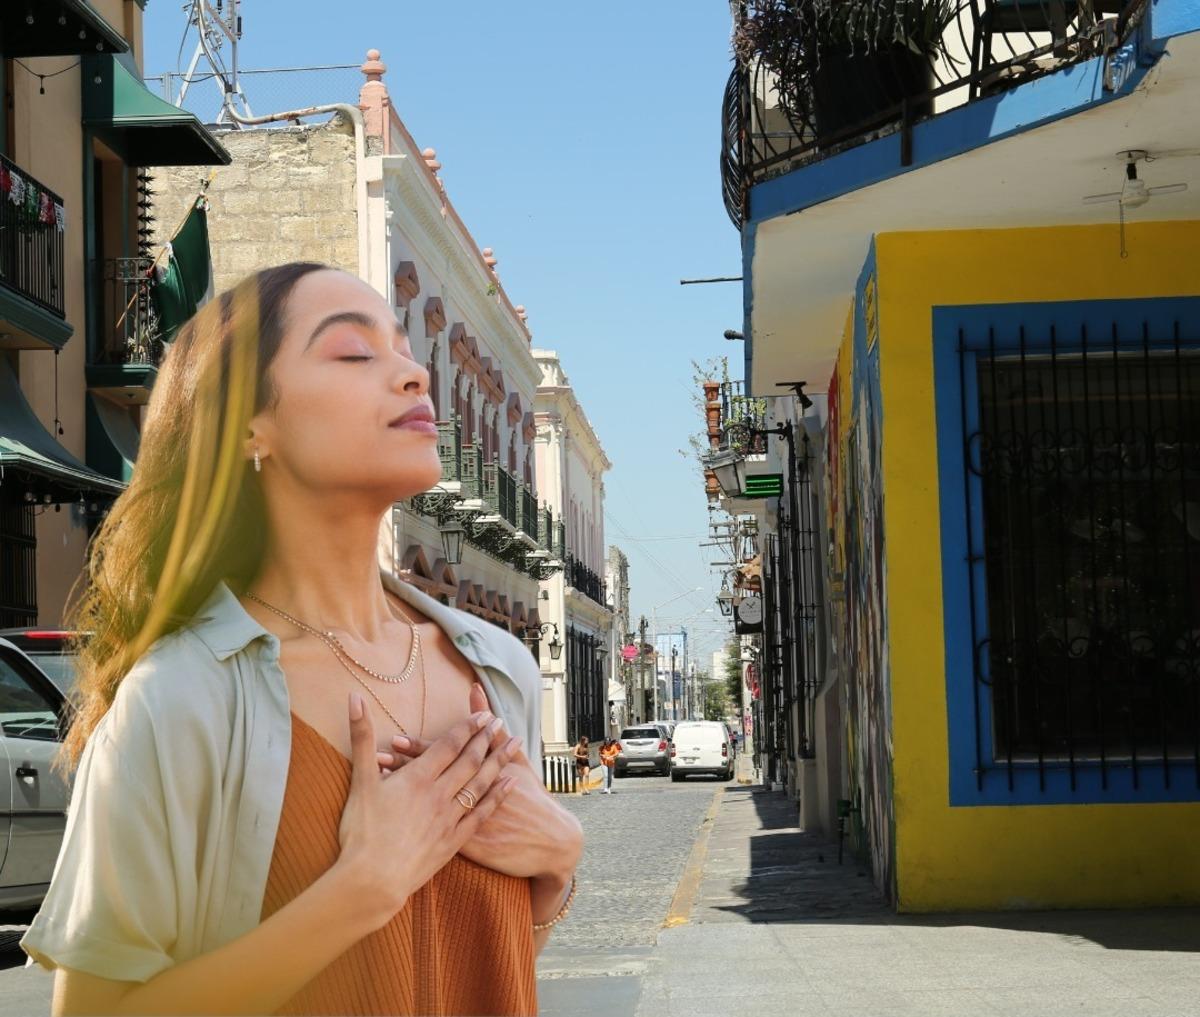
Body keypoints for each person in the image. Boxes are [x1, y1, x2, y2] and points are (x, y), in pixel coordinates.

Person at [20, 265, 584, 1016]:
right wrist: (362, 887)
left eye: (407, 351)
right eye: (355, 353)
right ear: (250, 425)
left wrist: (555, 869)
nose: (415, 375)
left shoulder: (498, 667)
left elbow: (473, 964)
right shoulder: (181, 698)